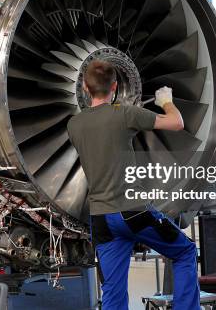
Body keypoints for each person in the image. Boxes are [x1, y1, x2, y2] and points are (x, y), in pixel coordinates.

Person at [67, 60, 200, 310]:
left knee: (113, 291)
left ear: (84, 87)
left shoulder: (74, 125)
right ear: (115, 86)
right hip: (132, 211)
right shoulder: (125, 113)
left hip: (101, 218)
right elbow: (176, 123)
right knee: (185, 252)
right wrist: (166, 101)